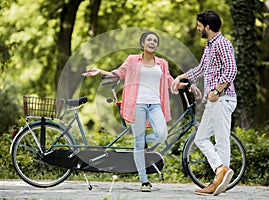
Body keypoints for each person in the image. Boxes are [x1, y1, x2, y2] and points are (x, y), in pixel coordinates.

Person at [83, 32, 183, 192]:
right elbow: (119, 73)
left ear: (157, 45)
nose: (152, 42)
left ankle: (141, 137)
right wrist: (101, 71)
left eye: (155, 40)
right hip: (138, 105)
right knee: (138, 145)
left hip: (156, 104)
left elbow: (170, 80)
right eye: (149, 39)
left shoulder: (162, 63)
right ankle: (144, 181)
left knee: (162, 134)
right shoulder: (132, 60)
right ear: (142, 43)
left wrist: (186, 85)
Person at [171, 10, 237, 196]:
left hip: (222, 98)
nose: (198, 27)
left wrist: (217, 90)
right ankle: (220, 173)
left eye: (199, 25)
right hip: (215, 100)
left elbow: (231, 70)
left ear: (207, 26)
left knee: (222, 141)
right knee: (201, 138)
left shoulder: (223, 43)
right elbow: (201, 69)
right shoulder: (210, 45)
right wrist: (181, 76)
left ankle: (219, 179)